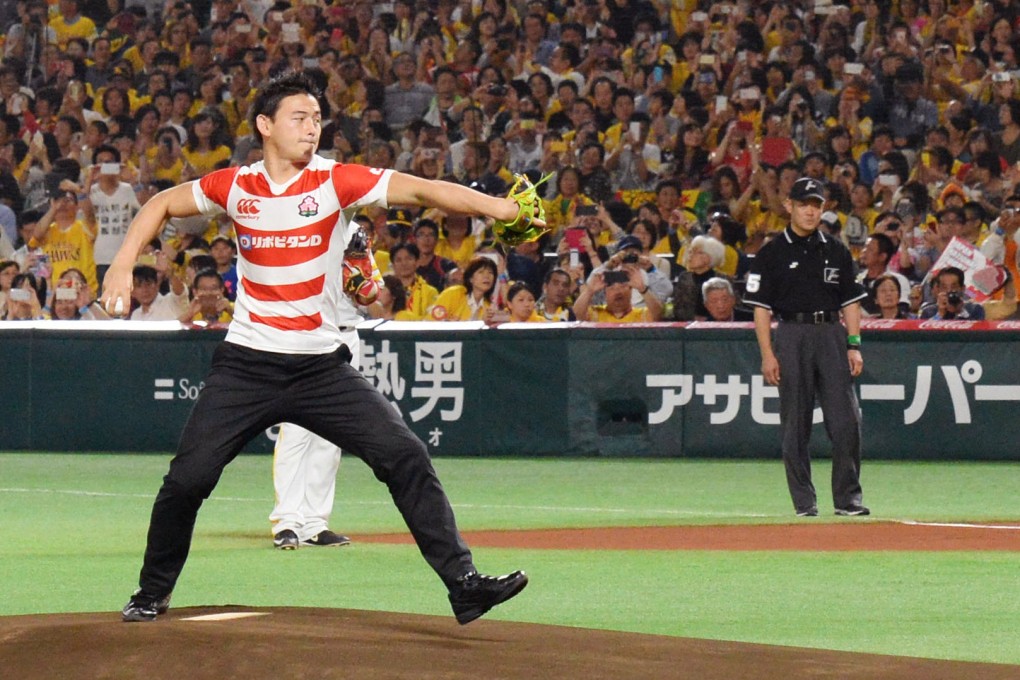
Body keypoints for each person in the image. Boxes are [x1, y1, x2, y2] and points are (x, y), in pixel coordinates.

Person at [100, 72, 527, 626]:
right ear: (265, 126)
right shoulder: (236, 186)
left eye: (317, 118)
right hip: (247, 365)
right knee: (187, 480)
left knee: (405, 456)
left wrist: (498, 208)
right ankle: (151, 593)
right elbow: (160, 202)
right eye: (299, 117)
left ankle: (464, 586)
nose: (312, 127)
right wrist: (120, 261)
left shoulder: (336, 181)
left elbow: (421, 189)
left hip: (322, 370)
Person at [742, 177, 869, 518]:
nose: (811, 211)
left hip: (830, 332)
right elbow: (761, 308)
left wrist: (854, 345)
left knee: (846, 421)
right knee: (795, 423)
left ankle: (847, 499)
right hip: (791, 332)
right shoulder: (771, 253)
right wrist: (768, 354)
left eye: (816, 205)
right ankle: (804, 501)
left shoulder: (836, 249)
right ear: (789, 207)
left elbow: (852, 303)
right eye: (804, 204)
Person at [918, 266, 986, 321]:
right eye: (944, 287)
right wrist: (940, 314)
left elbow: (976, 334)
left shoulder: (975, 309)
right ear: (938, 289)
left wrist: (960, 311)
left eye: (954, 287)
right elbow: (926, 335)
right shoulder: (928, 311)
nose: (949, 291)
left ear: (962, 288)